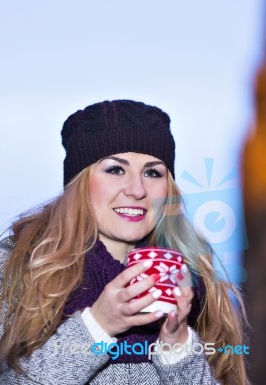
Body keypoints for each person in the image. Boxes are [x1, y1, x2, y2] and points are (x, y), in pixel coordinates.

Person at [0, 100, 249, 384]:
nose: (137, 189)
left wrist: (177, 346)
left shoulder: (197, 281)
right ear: (79, 181)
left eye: (152, 172)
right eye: (116, 170)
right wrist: (98, 325)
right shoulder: (16, 267)